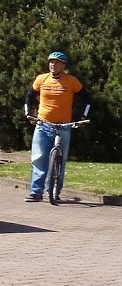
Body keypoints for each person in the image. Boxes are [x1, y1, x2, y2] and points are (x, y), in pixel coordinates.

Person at [23, 51, 91, 203]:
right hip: (43, 124)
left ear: (63, 65)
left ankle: (54, 191)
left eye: (57, 62)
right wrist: (28, 112)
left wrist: (83, 116)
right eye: (51, 62)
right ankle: (36, 192)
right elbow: (30, 95)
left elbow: (86, 98)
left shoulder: (71, 81)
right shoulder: (42, 79)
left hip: (63, 127)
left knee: (61, 160)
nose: (53, 64)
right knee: (39, 159)